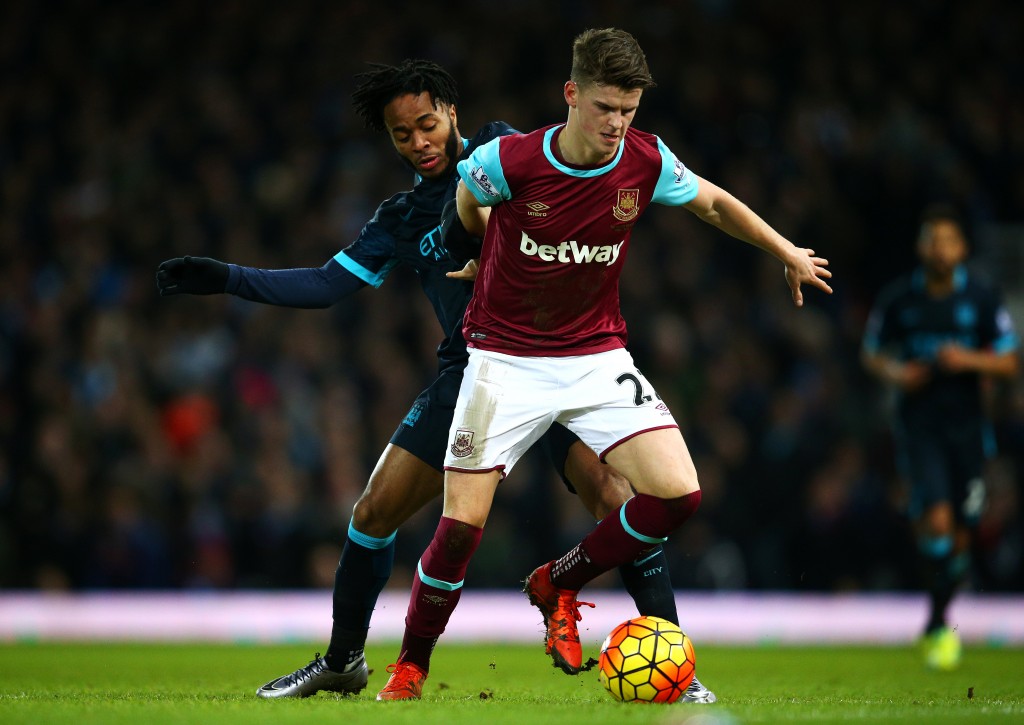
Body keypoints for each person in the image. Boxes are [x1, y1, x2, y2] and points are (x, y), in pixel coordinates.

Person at [155, 59, 716, 702]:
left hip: (568, 357)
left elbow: (583, 179)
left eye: (426, 124)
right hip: (477, 371)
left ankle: (677, 663)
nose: (418, 142)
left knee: (621, 499)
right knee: (374, 512)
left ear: (452, 111)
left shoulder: (502, 155)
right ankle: (344, 663)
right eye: (401, 135)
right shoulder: (400, 217)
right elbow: (325, 286)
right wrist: (226, 277)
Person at [375, 28, 832, 701]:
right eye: (605, 108)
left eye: (629, 109)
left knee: (680, 493)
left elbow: (710, 201)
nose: (617, 123)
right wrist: (474, 246)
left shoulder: (644, 160)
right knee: (458, 531)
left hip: (595, 355)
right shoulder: (510, 160)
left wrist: (783, 247)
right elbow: (467, 200)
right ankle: (409, 666)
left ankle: (558, 579)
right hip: (503, 359)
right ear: (572, 95)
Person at [861, 204, 1019, 670]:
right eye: (932, 240)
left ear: (963, 248)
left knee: (963, 535)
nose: (940, 250)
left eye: (948, 241)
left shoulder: (984, 298)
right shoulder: (899, 300)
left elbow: (1009, 362)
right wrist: (896, 373)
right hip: (921, 427)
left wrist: (967, 361)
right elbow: (872, 354)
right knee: (938, 520)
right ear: (920, 247)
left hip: (969, 431)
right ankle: (936, 622)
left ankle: (936, 618)